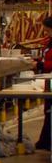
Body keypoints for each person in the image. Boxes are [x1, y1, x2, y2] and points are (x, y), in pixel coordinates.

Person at [36, 16, 52, 151]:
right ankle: (45, 140)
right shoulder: (49, 42)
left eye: (47, 30)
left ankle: (47, 141)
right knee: (48, 110)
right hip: (49, 78)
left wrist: (41, 64)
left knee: (50, 110)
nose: (46, 33)